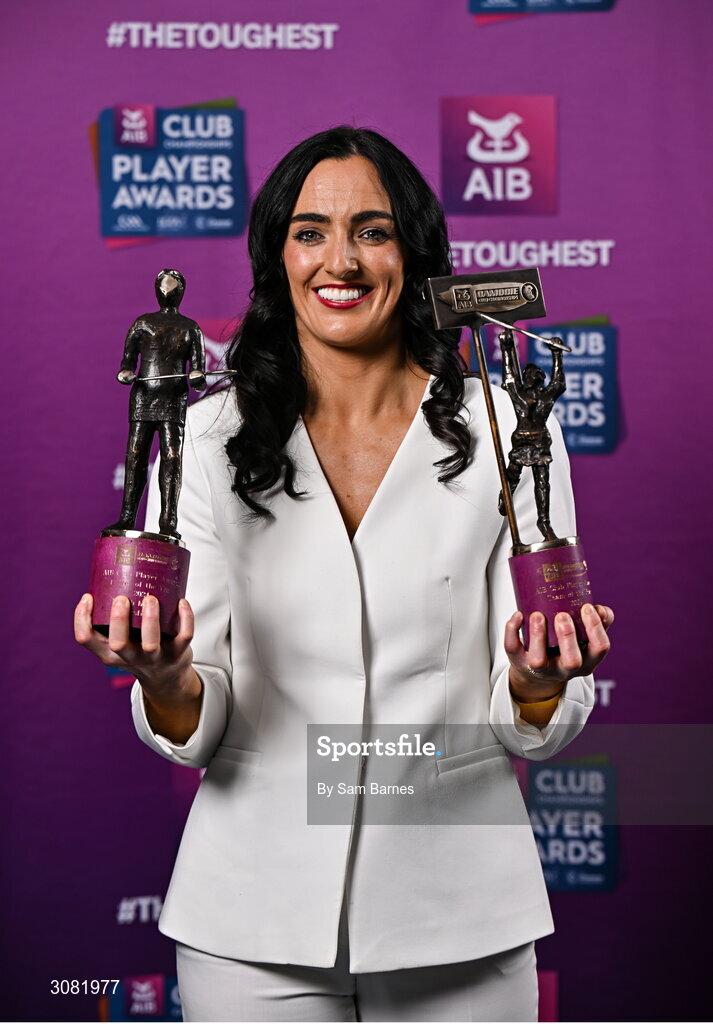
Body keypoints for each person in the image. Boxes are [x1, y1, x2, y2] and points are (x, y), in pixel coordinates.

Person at [75, 127, 613, 1023]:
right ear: (276, 256)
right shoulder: (204, 439)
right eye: (310, 231)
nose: (342, 260)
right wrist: (165, 676)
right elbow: (192, 720)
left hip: (461, 920)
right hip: (251, 921)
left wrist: (532, 683)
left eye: (372, 230)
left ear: (414, 251)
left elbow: (534, 724)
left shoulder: (508, 428)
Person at [105, 268, 206, 539]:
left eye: (173, 288)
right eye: (164, 287)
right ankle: (127, 516)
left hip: (174, 402)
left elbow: (199, 376)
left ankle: (168, 521)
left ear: (181, 293)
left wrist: (197, 376)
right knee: (135, 457)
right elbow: (126, 366)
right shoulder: (142, 324)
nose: (168, 293)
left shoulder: (190, 328)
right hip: (144, 400)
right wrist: (126, 374)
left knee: (172, 460)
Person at [496, 328, 565, 542]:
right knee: (512, 475)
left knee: (542, 482)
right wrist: (507, 346)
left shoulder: (546, 397)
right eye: (529, 374)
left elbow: (559, 383)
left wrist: (556, 354)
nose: (531, 376)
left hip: (540, 442)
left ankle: (543, 521)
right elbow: (509, 376)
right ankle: (505, 499)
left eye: (536, 375)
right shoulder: (518, 394)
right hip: (522, 440)